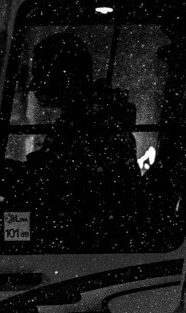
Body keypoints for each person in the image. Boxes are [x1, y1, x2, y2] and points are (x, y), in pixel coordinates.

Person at [19, 32, 142, 249]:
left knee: (8, 228)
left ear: (65, 77)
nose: (33, 84)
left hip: (80, 245)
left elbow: (54, 189)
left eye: (40, 74)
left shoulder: (90, 127)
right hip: (84, 242)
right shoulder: (92, 120)